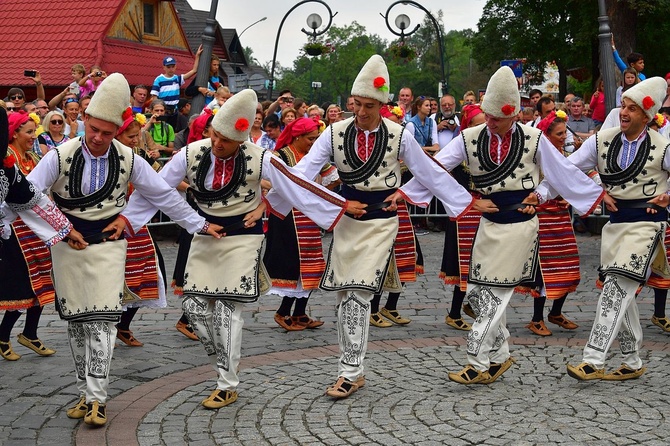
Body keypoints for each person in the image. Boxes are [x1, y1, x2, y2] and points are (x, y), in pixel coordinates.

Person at [125, 89, 365, 409]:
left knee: (227, 310)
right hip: (206, 235)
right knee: (196, 311)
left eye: (226, 139)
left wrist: (340, 205)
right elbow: (156, 189)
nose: (218, 143)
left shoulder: (261, 157)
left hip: (244, 237)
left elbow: (296, 184)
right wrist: (127, 221)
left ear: (242, 139)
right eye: (215, 135)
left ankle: (227, 382)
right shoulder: (190, 153)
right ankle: (225, 362)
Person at [267, 55, 475, 399]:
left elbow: (429, 170)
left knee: (360, 293)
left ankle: (349, 372)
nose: (361, 112)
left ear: (382, 104)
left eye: (368, 105)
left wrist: (431, 198)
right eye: (356, 104)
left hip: (381, 222)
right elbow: (303, 174)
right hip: (347, 221)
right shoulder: (333, 133)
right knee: (345, 294)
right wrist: (284, 196)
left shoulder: (398, 134)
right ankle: (354, 369)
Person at [26, 73, 223, 426]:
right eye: (94, 129)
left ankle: (99, 400)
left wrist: (196, 224)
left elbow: (161, 194)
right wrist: (62, 227)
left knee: (102, 320)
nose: (100, 138)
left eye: (108, 132)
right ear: (84, 120)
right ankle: (85, 394)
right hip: (68, 245)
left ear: (118, 129)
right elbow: (29, 193)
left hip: (109, 245)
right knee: (76, 322)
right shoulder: (59, 155)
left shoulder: (129, 158)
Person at [398, 66, 605, 385]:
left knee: (494, 293)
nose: (491, 122)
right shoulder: (468, 138)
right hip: (488, 222)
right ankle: (500, 355)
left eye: (498, 117)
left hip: (521, 224)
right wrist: (462, 199)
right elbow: (436, 168)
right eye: (488, 115)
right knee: (477, 293)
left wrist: (540, 193)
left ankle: (477, 363)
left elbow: (561, 172)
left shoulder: (534, 138)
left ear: (514, 115)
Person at [565, 77, 670, 381]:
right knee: (620, 289)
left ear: (647, 117)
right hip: (615, 227)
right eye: (623, 105)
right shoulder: (603, 140)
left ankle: (593, 359)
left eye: (632, 109)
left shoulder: (663, 147)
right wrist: (596, 190)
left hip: (647, 226)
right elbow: (568, 169)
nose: (624, 112)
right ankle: (633, 360)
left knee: (615, 288)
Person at [265, 117, 339, 331]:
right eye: (310, 138)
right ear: (297, 137)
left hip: (307, 215)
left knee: (312, 264)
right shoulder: (281, 156)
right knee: (293, 263)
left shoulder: (314, 156)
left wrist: (321, 194)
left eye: (316, 139)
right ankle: (282, 312)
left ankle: (299, 313)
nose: (313, 143)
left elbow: (332, 177)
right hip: (287, 217)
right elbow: (269, 181)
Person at [0, 112, 57, 361]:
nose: (34, 137)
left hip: (35, 229)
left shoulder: (32, 157)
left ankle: (30, 333)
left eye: (35, 132)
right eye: (29, 132)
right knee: (22, 285)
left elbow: (41, 191)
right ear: (13, 134)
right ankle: (2, 337)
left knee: (44, 281)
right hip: (14, 231)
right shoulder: (7, 158)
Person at [114, 111, 168, 347]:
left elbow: (162, 177)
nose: (135, 140)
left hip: (137, 224)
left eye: (137, 136)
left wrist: (189, 189)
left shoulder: (140, 155)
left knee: (150, 273)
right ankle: (107, 325)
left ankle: (123, 326)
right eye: (130, 136)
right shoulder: (109, 157)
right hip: (112, 223)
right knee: (115, 276)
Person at [524, 110, 581, 336]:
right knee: (545, 269)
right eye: (559, 133)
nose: (564, 137)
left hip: (561, 218)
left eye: (565, 132)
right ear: (546, 135)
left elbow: (568, 181)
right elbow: (538, 187)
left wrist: (569, 196)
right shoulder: (537, 158)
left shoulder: (563, 156)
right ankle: (536, 318)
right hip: (544, 219)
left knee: (569, 264)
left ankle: (555, 312)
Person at [439, 104, 486, 331]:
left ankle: (473, 305)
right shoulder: (459, 150)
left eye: (484, 124)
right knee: (464, 263)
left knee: (484, 262)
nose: (482, 129)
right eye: (477, 125)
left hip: (485, 211)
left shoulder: (487, 147)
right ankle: (455, 312)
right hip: (464, 212)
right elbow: (438, 172)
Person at [150, 48, 202, 114]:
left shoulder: (177, 79)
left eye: (172, 66)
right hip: (163, 109)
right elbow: (154, 97)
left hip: (174, 110)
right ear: (164, 67)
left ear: (175, 67)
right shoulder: (159, 79)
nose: (171, 69)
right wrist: (158, 110)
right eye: (168, 67)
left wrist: (197, 56)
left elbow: (194, 70)